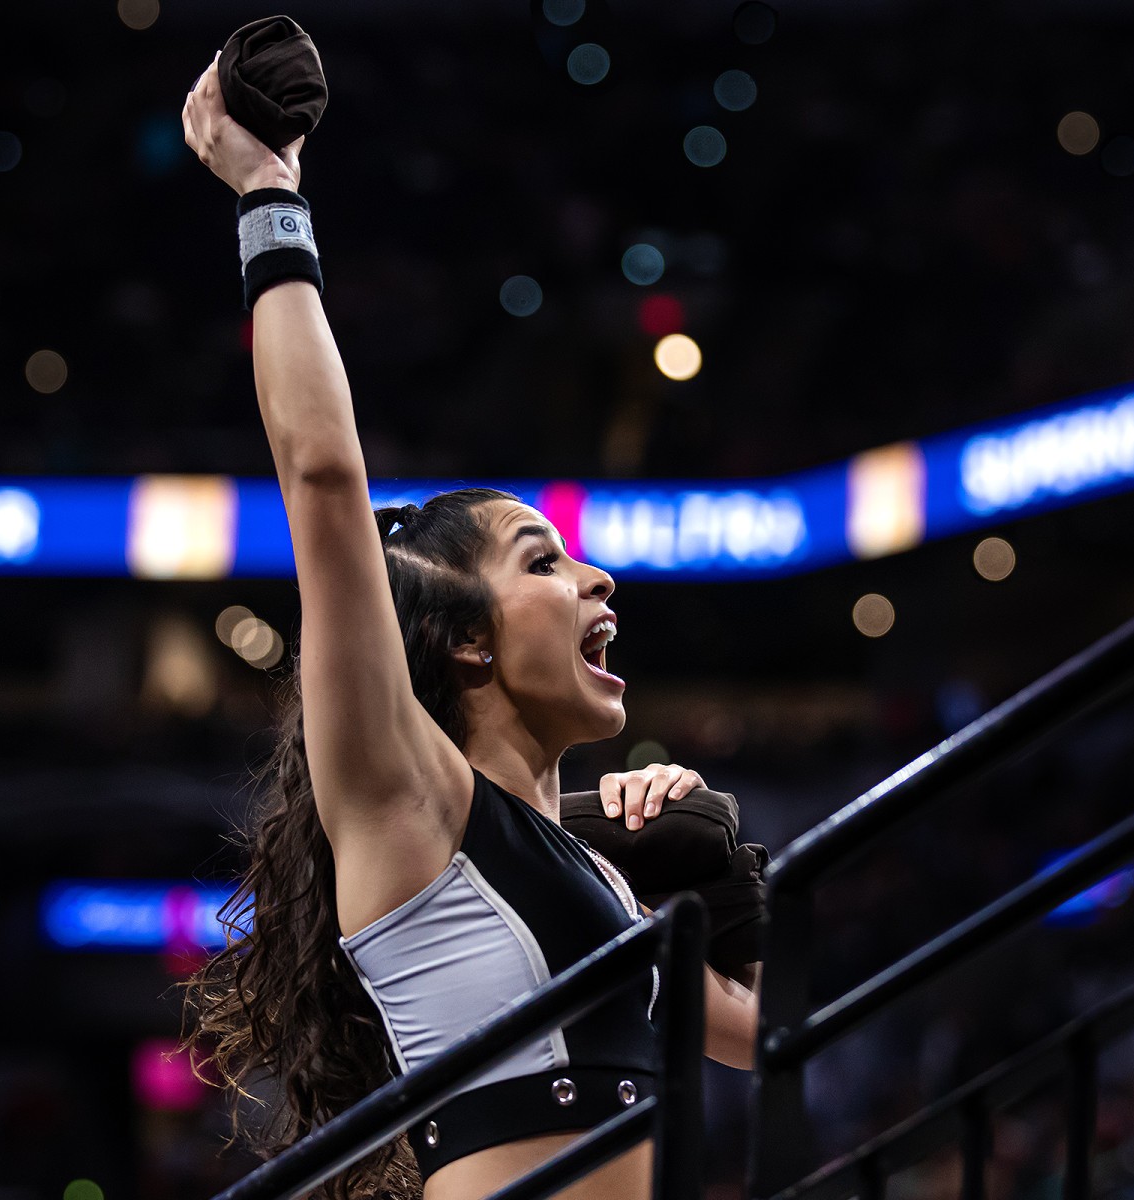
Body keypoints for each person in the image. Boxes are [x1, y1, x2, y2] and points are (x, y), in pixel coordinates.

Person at [177, 55, 759, 1200]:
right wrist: (268, 195)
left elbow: (766, 1026)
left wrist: (726, 872)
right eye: (543, 561)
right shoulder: (410, 800)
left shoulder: (597, 876)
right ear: (466, 640)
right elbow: (322, 474)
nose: (598, 579)